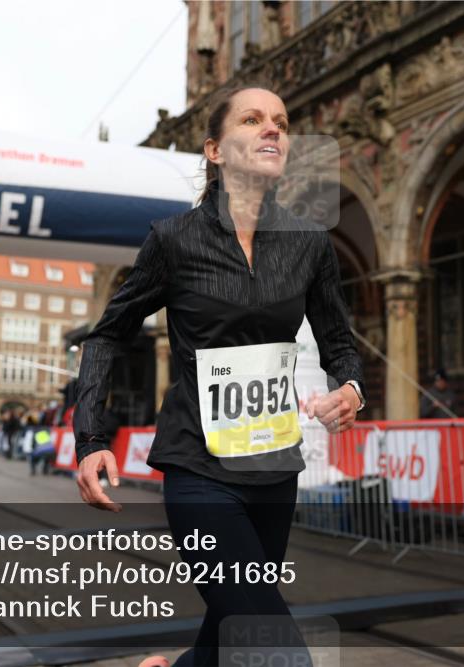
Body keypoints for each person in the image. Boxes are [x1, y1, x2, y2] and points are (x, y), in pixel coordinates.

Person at [72, 86, 366, 667]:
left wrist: (350, 388)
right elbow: (106, 334)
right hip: (199, 469)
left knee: (227, 631)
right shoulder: (174, 240)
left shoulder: (308, 243)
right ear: (214, 149)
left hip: (274, 468)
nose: (272, 130)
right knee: (276, 651)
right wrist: (91, 439)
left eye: (281, 121)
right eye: (253, 120)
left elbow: (339, 343)